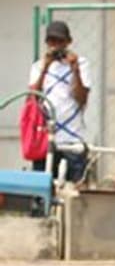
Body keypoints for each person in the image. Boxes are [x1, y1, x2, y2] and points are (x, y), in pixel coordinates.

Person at [28, 21, 91, 183]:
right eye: (52, 41)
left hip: (72, 137)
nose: (56, 46)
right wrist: (45, 68)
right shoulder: (38, 66)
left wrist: (74, 69)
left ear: (68, 42)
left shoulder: (81, 64)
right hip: (46, 137)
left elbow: (82, 99)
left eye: (60, 42)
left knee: (75, 188)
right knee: (42, 188)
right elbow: (32, 98)